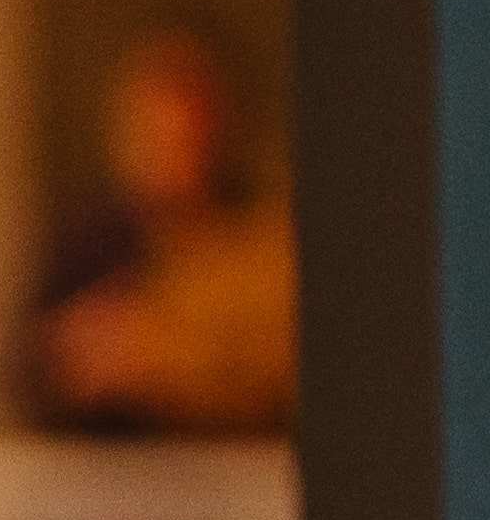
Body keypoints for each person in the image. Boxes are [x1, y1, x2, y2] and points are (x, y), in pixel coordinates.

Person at [21, 24, 298, 437]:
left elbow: (280, 372)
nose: (175, 136)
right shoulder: (87, 240)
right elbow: (22, 367)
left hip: (233, 478)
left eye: (192, 117)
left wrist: (157, 355)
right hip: (109, 478)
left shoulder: (261, 239)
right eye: (156, 121)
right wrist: (62, 355)